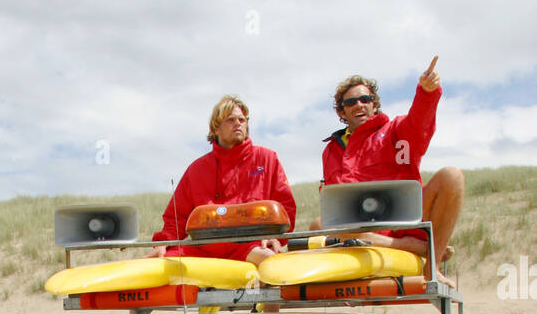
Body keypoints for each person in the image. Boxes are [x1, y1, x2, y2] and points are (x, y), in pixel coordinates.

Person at [317, 57, 464, 262]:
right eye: (351, 102)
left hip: (404, 225)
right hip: (357, 228)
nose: (359, 105)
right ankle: (407, 247)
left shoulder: (396, 131)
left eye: (365, 99)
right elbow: (336, 206)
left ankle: (432, 265)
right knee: (317, 224)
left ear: (374, 105)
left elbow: (420, 122)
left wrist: (427, 92)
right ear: (341, 111)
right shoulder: (331, 150)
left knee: (452, 176)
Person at [149, 96, 296, 264]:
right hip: (203, 249)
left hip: (249, 247)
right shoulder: (196, 169)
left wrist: (275, 238)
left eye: (242, 119)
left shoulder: (267, 158)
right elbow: (176, 217)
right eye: (230, 120)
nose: (238, 123)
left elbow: (286, 207)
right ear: (216, 128)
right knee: (155, 262)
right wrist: (165, 242)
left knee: (271, 261)